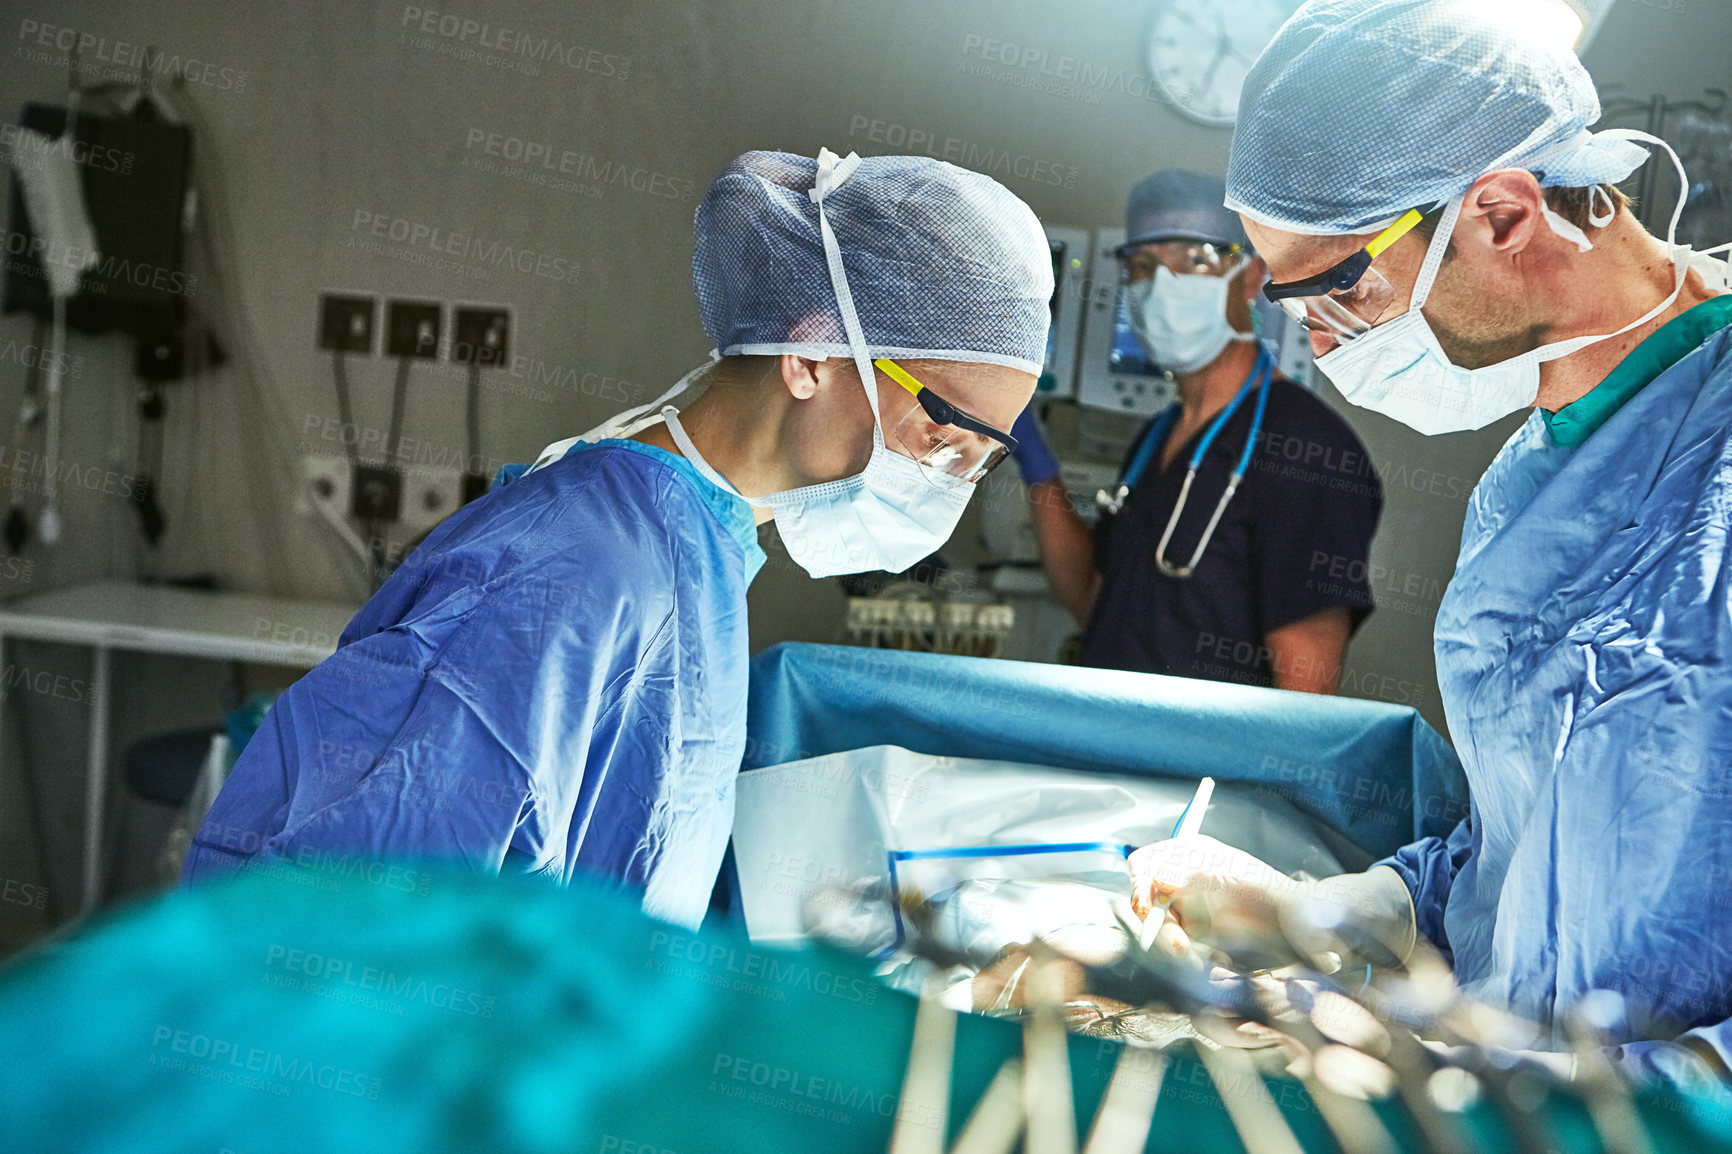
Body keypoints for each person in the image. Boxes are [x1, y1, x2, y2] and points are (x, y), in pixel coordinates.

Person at [183, 148, 1052, 929]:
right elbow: (374, 929)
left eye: (982, 459)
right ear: (814, 356)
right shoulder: (579, 571)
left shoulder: (703, 543)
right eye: (944, 429)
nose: (947, 476)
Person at [1134, 0, 1732, 1088]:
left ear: (1500, 212)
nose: (1316, 343)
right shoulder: (1520, 493)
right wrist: (1367, 906)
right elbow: (1532, 836)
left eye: (1335, 289)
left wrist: (1674, 1091)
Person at [1009, 169, 1383, 691]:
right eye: (1142, 265)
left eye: (1196, 259)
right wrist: (1037, 466)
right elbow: (1096, 603)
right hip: (1107, 753)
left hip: (1206, 770)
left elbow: (1306, 697)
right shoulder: (1157, 438)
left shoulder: (1307, 449)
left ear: (1251, 277)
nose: (1162, 284)